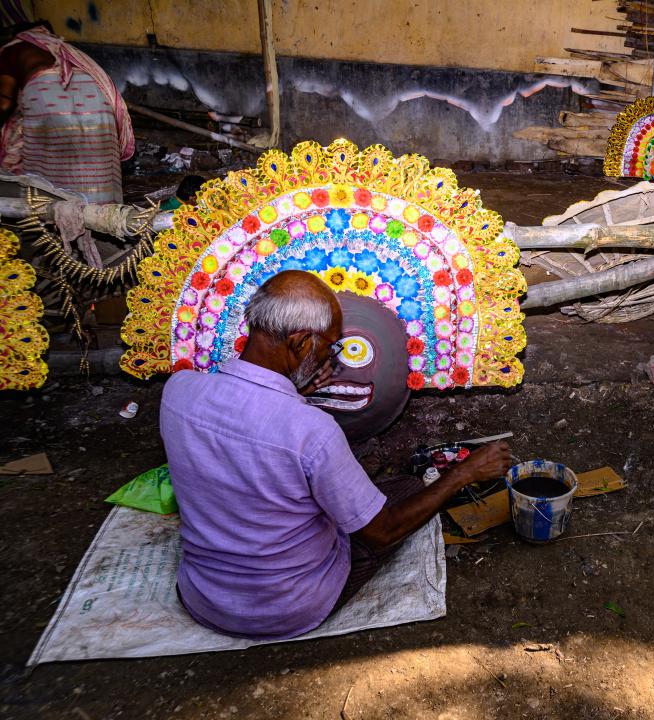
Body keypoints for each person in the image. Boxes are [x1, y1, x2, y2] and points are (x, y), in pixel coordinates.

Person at [159, 270, 512, 639]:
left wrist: (295, 393)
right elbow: (382, 533)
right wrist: (464, 473)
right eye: (330, 346)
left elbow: (245, 441)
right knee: (407, 490)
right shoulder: (312, 430)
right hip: (288, 607)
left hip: (204, 598)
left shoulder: (178, 392)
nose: (332, 357)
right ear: (300, 343)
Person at [0, 21, 134, 203]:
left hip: (46, 91)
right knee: (96, 157)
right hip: (95, 94)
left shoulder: (12, 49)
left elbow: (4, 104)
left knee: (49, 167)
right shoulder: (61, 49)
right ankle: (102, 210)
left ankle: (56, 210)